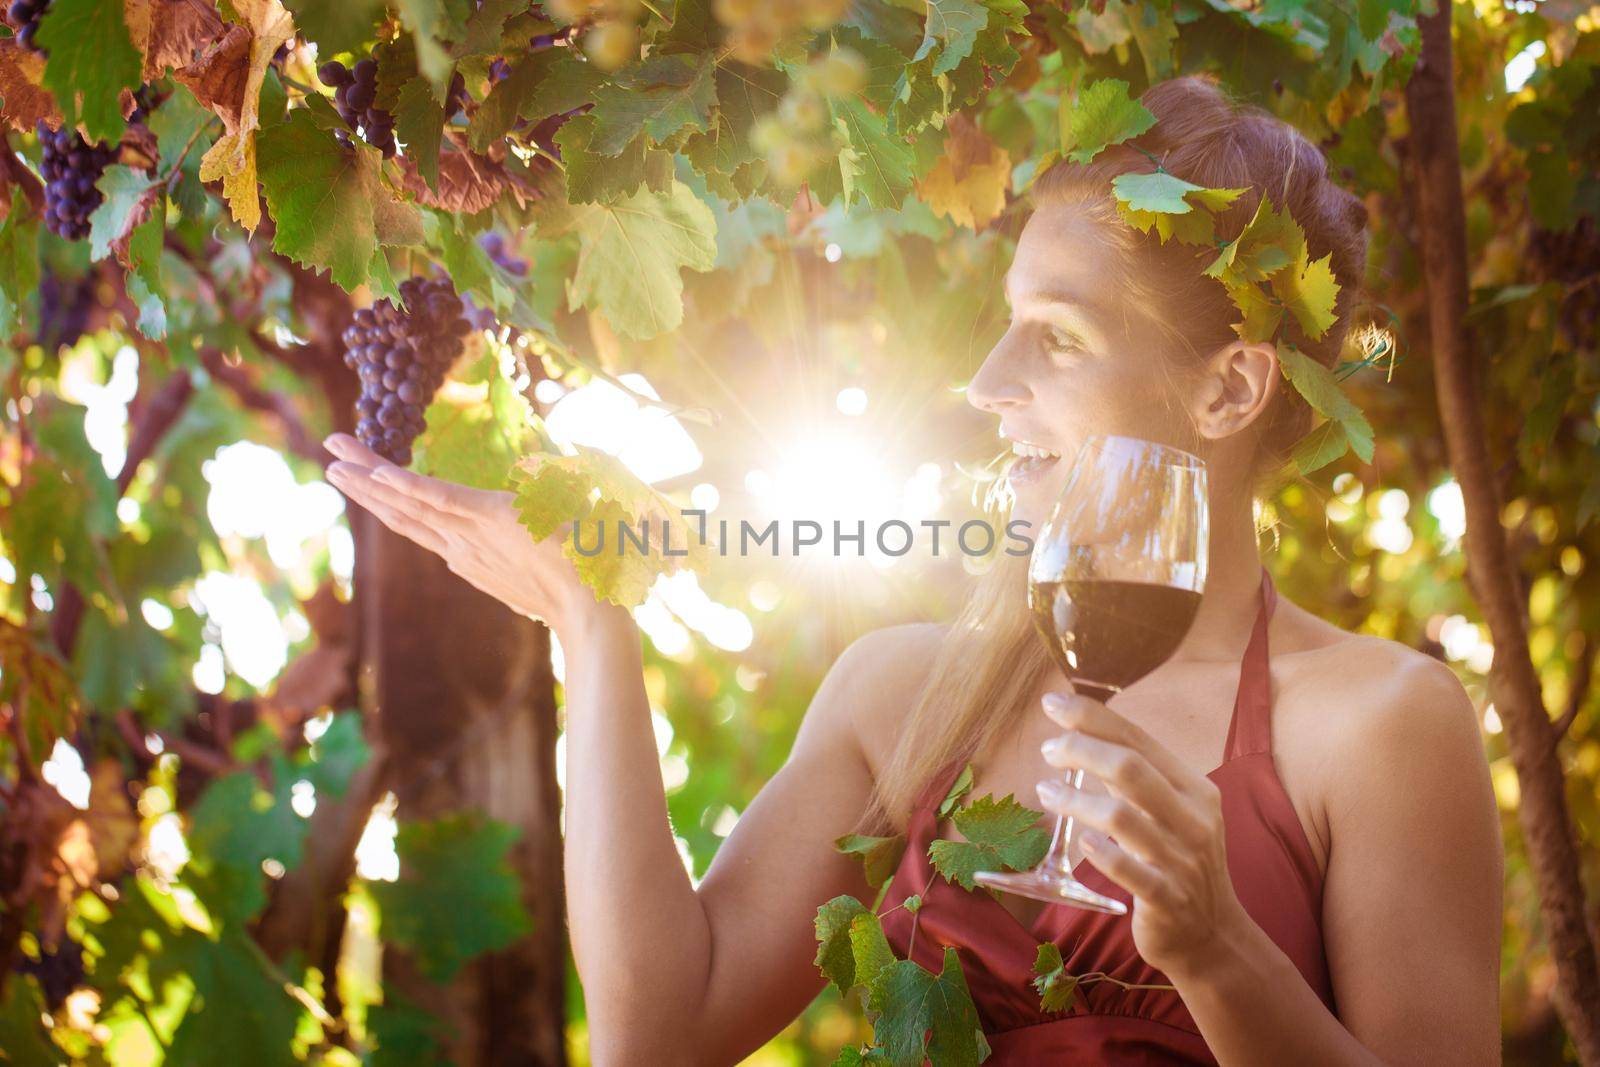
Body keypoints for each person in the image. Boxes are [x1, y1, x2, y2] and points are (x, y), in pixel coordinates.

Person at [324, 74, 1502, 1066]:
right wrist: (591, 623)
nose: (989, 382)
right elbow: (657, 1031)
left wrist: (1214, 948)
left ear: (1229, 390)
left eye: (1057, 335)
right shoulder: (905, 696)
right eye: (1004, 323)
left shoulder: (1382, 723)